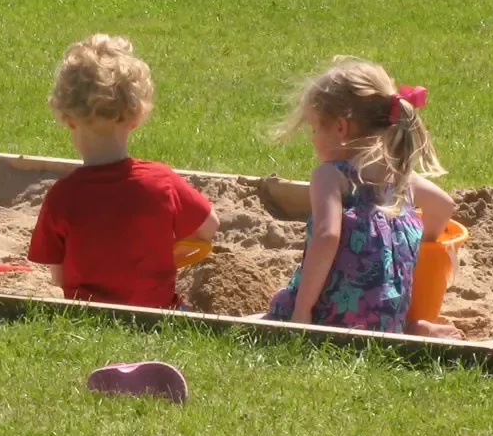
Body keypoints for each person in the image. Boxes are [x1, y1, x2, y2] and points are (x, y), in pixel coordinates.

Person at [265, 56, 459, 337]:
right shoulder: (401, 177)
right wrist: (418, 243)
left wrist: (302, 310)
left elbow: (327, 236)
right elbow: (444, 206)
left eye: (315, 127)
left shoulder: (330, 176)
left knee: (275, 314)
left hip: (333, 318)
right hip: (386, 320)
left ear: (341, 127)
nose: (312, 137)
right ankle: (412, 326)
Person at [28, 35, 218, 309]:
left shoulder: (62, 197)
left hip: (89, 318)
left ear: (67, 119)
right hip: (158, 315)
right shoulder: (161, 182)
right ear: (136, 117)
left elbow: (58, 277)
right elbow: (209, 227)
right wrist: (168, 251)